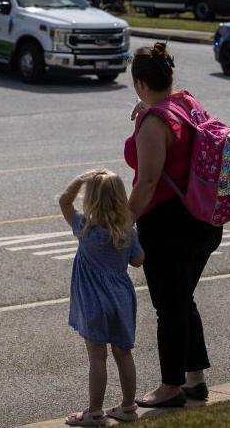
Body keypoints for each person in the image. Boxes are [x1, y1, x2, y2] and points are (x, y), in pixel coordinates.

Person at [124, 42, 224, 408]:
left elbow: (147, 182)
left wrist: (123, 224)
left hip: (169, 227)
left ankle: (170, 386)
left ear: (139, 83)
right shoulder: (187, 103)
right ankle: (195, 381)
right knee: (183, 300)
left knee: (169, 307)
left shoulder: (154, 123)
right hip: (204, 221)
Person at [59, 169, 146, 427]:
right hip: (120, 298)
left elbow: (64, 201)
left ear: (91, 200)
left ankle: (95, 412)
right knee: (123, 353)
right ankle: (129, 407)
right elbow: (139, 261)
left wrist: (81, 178)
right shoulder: (126, 231)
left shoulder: (85, 228)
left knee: (97, 358)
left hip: (93, 301)